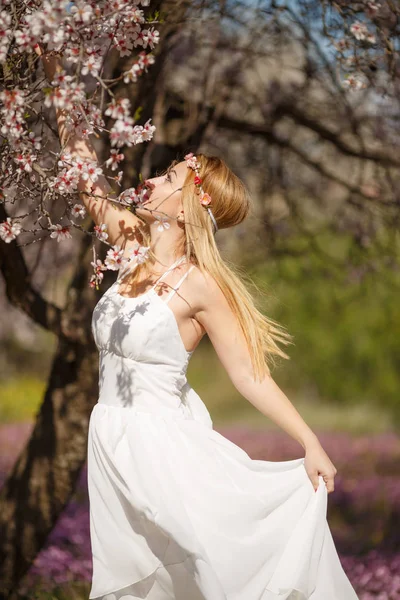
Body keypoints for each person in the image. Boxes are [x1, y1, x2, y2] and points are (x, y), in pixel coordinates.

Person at [36, 47, 359, 600]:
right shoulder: (129, 246)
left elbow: (249, 375)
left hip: (166, 453)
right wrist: (53, 74)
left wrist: (309, 441)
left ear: (187, 207)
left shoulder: (200, 286)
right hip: (113, 440)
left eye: (169, 177)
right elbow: (81, 163)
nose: (154, 181)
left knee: (199, 576)